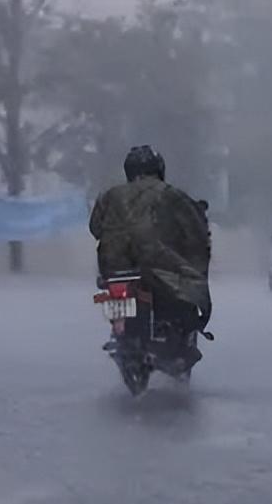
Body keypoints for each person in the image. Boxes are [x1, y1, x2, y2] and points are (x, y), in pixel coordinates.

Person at [89, 145, 212, 363]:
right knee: (187, 294)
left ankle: (123, 332)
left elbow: (95, 228)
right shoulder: (171, 194)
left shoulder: (108, 196)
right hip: (160, 270)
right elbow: (196, 233)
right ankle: (178, 338)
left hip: (115, 270)